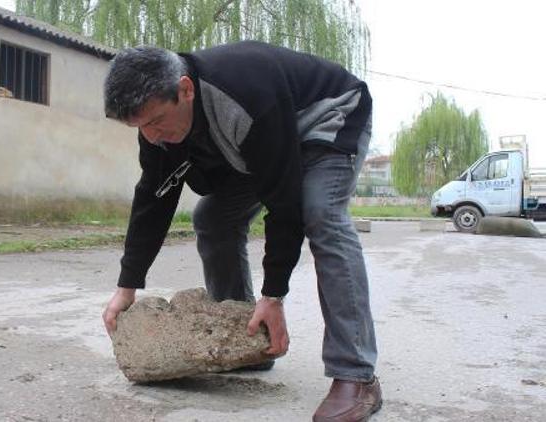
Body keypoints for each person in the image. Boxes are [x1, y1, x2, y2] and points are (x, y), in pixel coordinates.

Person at [101, 41, 381, 422]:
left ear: (185, 89)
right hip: (261, 147)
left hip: (327, 117)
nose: (151, 137)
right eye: (140, 128)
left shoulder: (244, 93)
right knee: (212, 218)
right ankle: (246, 337)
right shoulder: (158, 124)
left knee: (320, 214)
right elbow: (154, 197)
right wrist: (126, 286)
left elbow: (285, 205)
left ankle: (356, 375)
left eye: (154, 123)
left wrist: (274, 295)